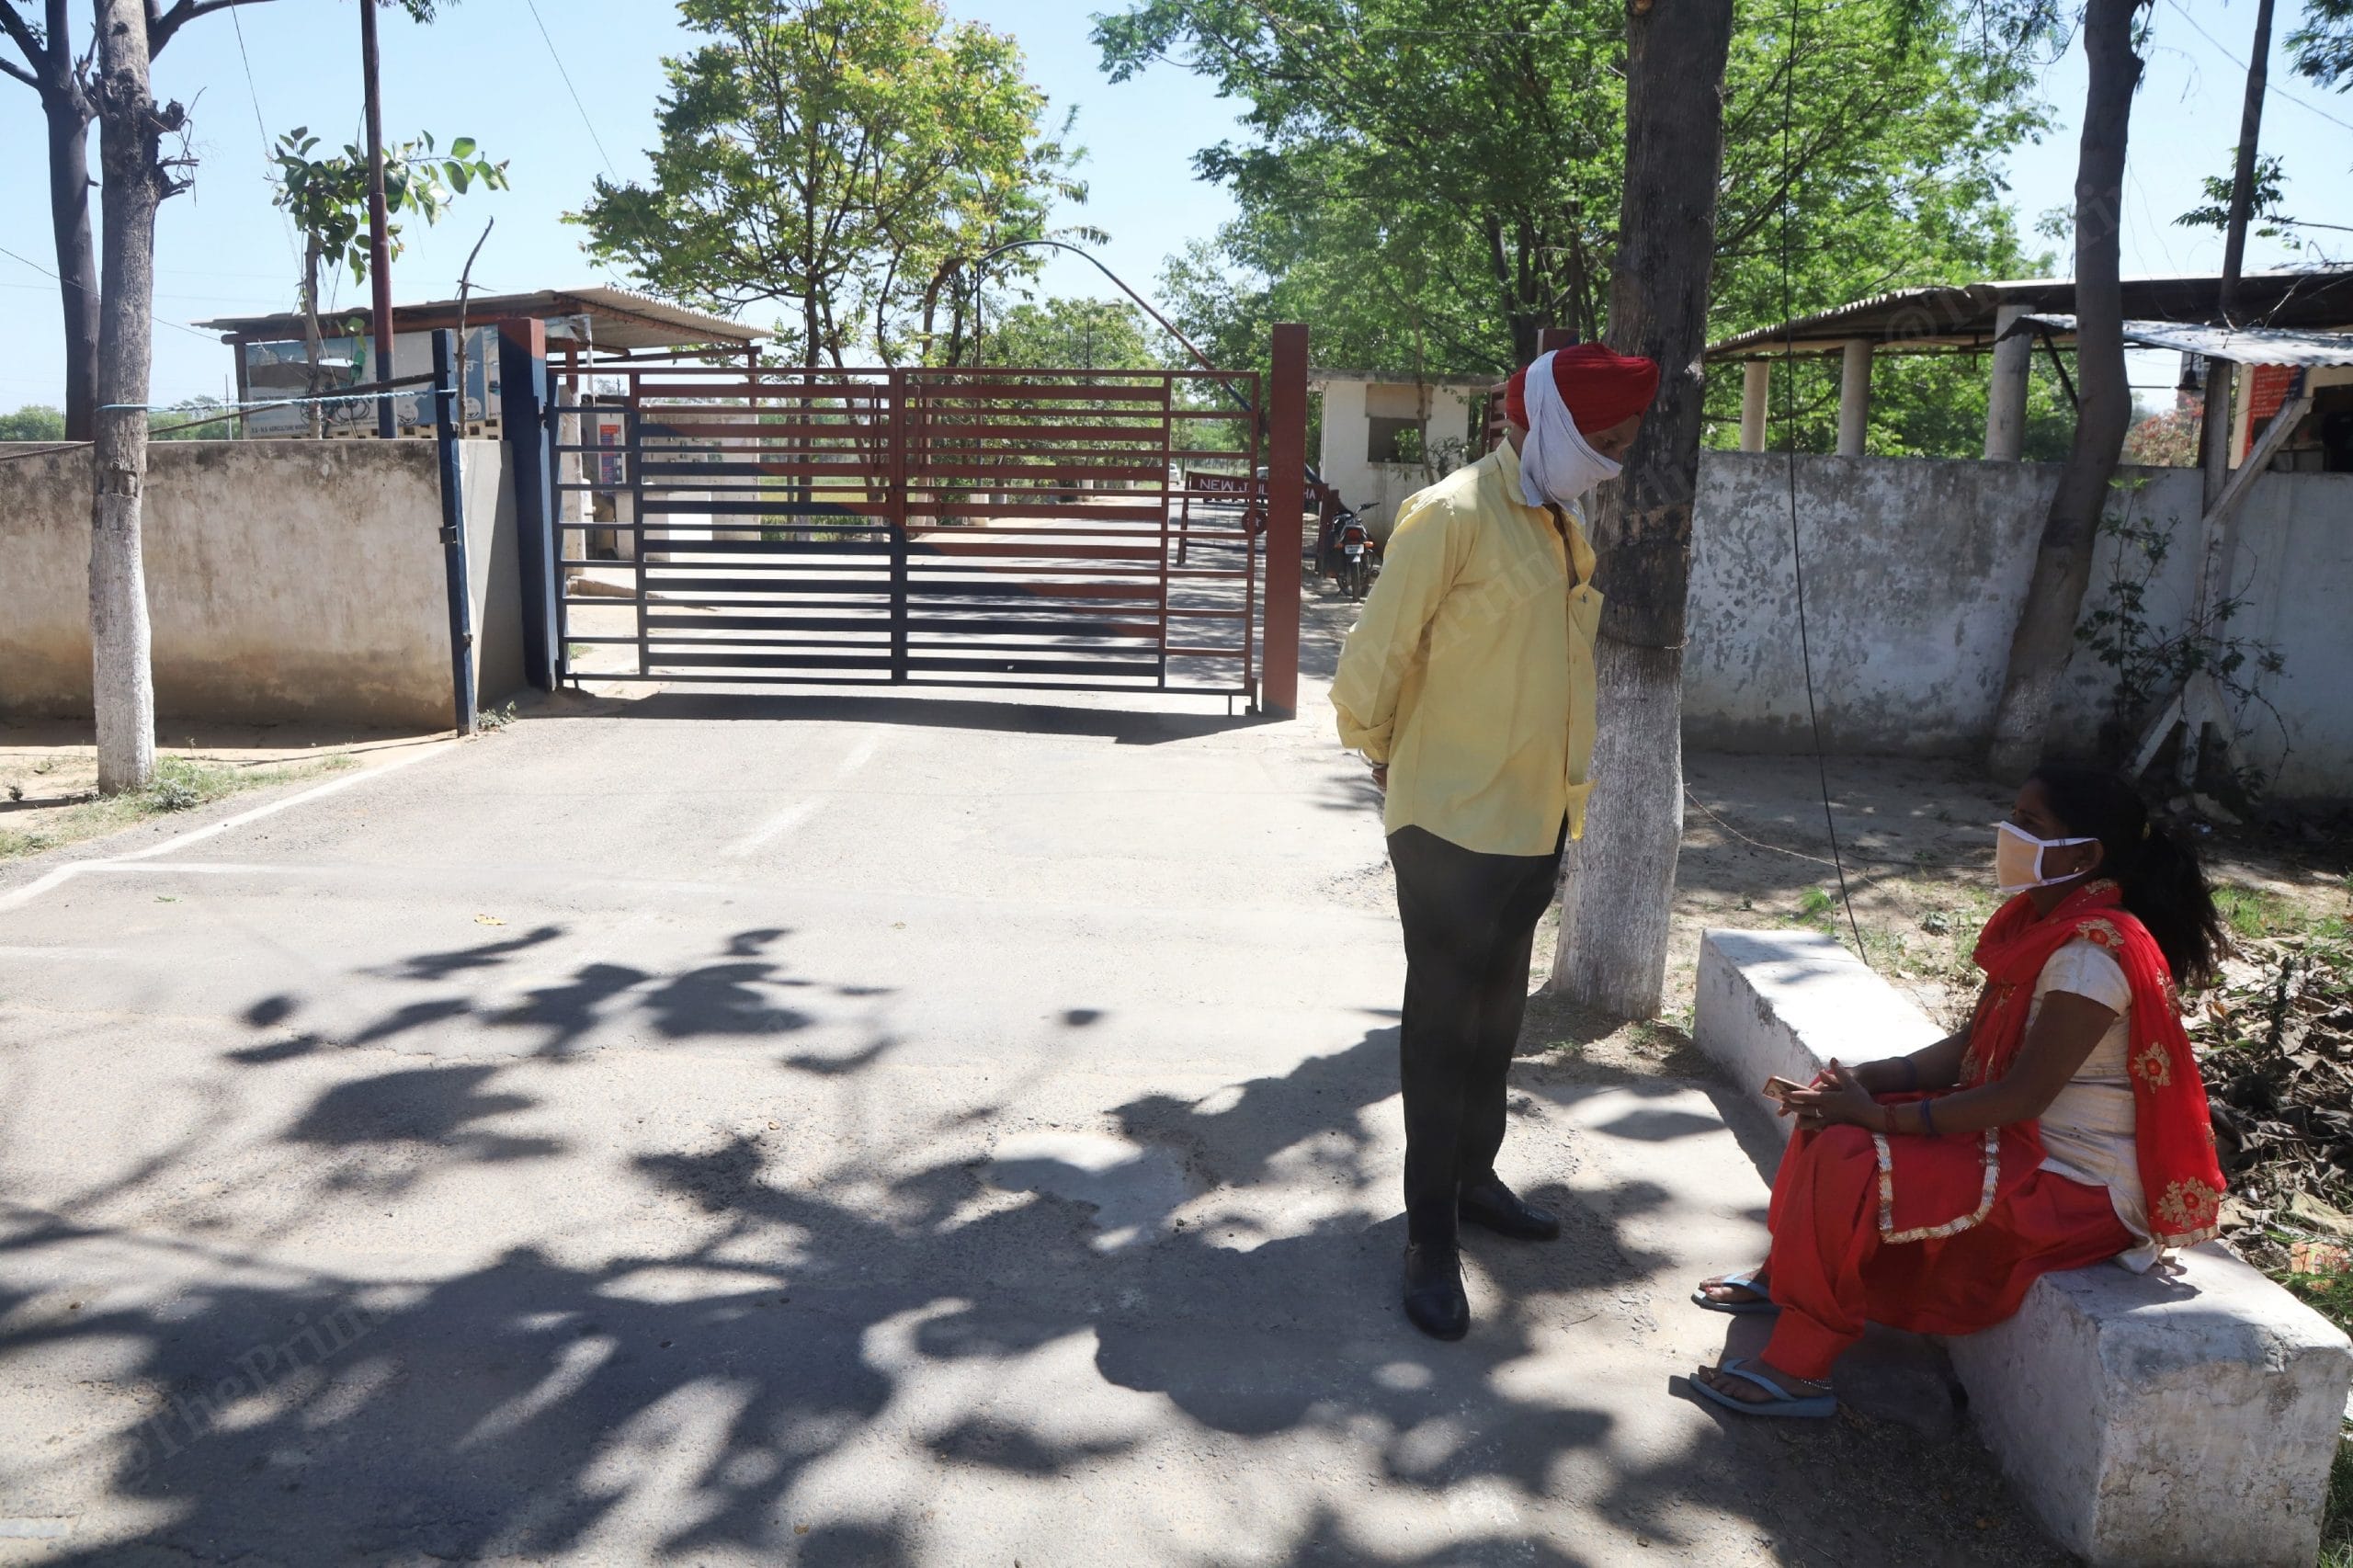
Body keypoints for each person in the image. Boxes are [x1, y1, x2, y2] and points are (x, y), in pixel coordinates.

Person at [1690, 764, 2229, 1417]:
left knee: (1850, 1155)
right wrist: (1867, 1080)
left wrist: (1881, 1122)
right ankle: (1788, 1279)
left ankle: (1801, 1370)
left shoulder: (2092, 955)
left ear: (2084, 855)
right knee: (1826, 1111)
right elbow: (1969, 1047)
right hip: (2028, 1150)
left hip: (2078, 1187)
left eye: (2030, 825)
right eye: (2015, 817)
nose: (2008, 833)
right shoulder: (2043, 922)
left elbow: (2020, 1097)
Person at [1332, 343, 1661, 1341]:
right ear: (1552, 426)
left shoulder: (1556, 520)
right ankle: (1428, 1233)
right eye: (1602, 440)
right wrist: (1380, 752)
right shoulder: (1452, 515)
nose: (1613, 458)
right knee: (1439, 1029)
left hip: (1533, 817)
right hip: (1448, 822)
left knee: (1495, 1017)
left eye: (1623, 443)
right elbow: (1374, 657)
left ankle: (1474, 1178)